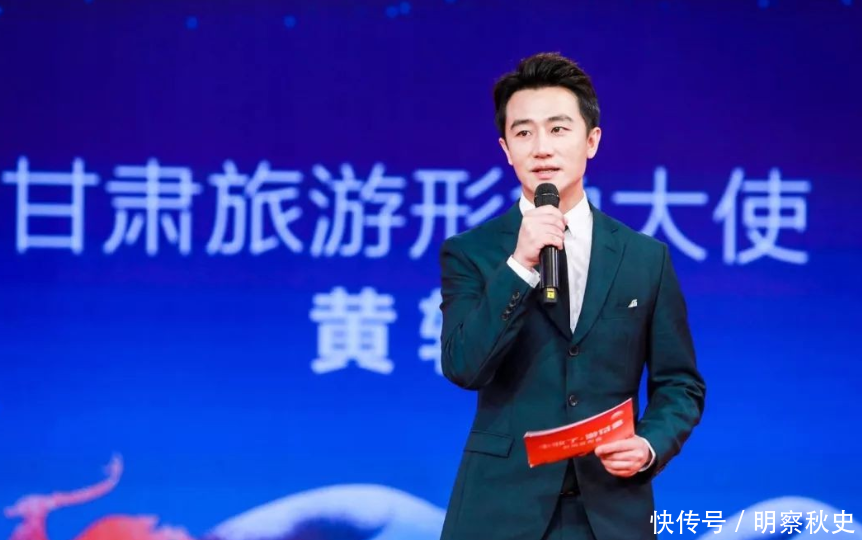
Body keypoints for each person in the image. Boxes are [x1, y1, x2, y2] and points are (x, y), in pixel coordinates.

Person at [438, 52, 706, 540]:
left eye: (558, 129)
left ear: (592, 141)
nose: (542, 148)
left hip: (610, 509)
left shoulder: (645, 258)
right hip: (499, 510)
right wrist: (519, 266)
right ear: (506, 149)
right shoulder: (471, 252)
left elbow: (680, 384)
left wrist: (649, 444)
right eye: (524, 133)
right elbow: (463, 367)